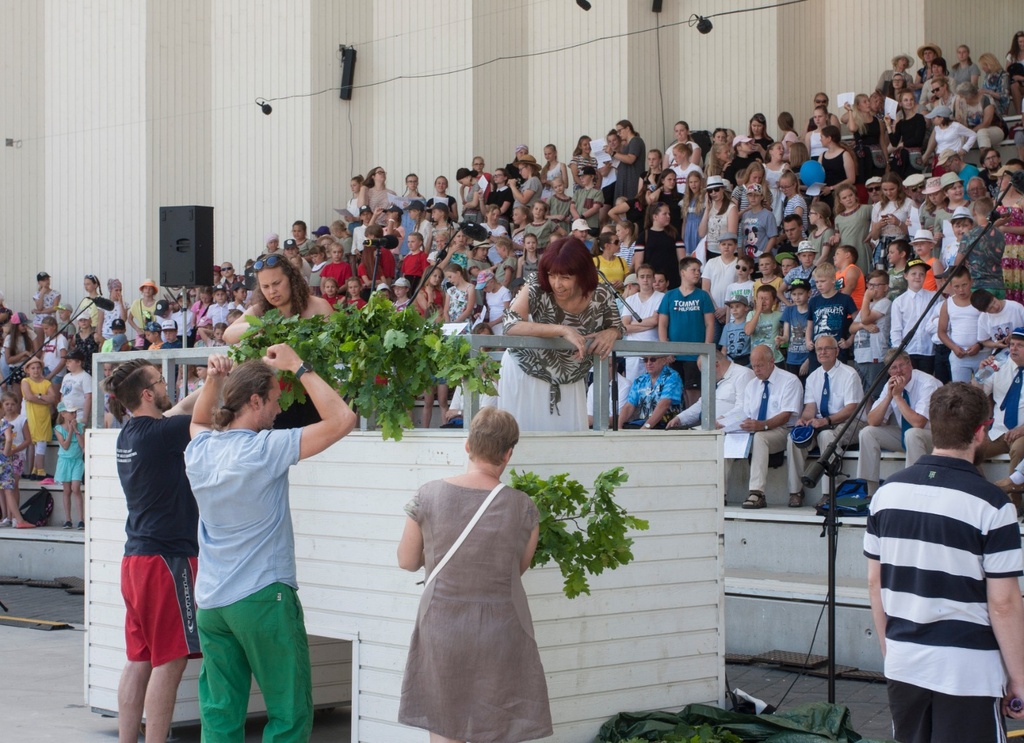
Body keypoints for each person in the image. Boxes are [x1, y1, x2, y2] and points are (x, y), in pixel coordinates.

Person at [184, 347, 357, 741]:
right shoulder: (265, 449)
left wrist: (213, 380)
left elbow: (197, 419)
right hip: (263, 597)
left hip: (212, 602)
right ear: (255, 400)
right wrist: (299, 365)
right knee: (289, 713)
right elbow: (343, 418)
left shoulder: (199, 449)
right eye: (276, 400)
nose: (279, 410)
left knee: (219, 713)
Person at [865, 382, 1024, 743]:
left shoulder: (886, 495)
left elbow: (875, 584)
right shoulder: (993, 505)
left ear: (932, 426)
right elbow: (1003, 603)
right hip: (968, 668)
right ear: (981, 432)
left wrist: (892, 653)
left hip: (905, 659)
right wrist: (1020, 678)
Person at [397, 407, 551, 742]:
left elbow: (407, 561)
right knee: (495, 727)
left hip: (442, 625)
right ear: (509, 453)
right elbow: (516, 570)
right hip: (501, 629)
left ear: (467, 445)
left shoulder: (427, 495)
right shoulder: (524, 507)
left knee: (445, 726)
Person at [102, 358, 205, 743]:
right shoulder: (165, 435)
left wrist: (213, 378)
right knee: (171, 659)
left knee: (139, 659)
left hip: (136, 561)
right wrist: (221, 378)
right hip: (167, 560)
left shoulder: (132, 433)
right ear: (147, 394)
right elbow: (204, 409)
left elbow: (182, 407)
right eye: (161, 381)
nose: (168, 386)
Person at [500, 237, 622, 431]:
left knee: (569, 450)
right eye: (552, 275)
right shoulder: (537, 285)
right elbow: (510, 325)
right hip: (525, 372)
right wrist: (563, 330)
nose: (557, 284)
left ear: (582, 274)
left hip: (571, 380)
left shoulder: (602, 294)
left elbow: (617, 326)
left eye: (565, 277)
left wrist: (612, 332)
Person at [786, 336, 866, 508]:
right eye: (819, 349)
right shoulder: (813, 377)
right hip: (823, 422)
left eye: (827, 348)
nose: (822, 352)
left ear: (836, 351)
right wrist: (804, 419)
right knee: (793, 438)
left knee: (827, 436)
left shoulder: (849, 374)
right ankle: (796, 491)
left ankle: (829, 493)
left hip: (851, 423)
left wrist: (826, 420)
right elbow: (810, 408)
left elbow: (851, 409)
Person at [857, 349, 942, 495]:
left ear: (910, 365)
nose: (898, 371)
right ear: (889, 371)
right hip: (907, 436)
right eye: (893, 368)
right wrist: (889, 396)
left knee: (913, 433)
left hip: (936, 438)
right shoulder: (890, 385)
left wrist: (897, 397)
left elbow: (918, 423)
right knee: (867, 433)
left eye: (901, 365)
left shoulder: (928, 383)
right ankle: (871, 493)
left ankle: (912, 490)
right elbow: (872, 420)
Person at [617, 355, 682, 429]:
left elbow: (664, 404)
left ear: (664, 360)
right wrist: (619, 428)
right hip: (643, 426)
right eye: (645, 360)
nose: (648, 363)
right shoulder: (640, 380)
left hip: (667, 428)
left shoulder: (672, 376)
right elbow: (629, 406)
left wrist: (645, 428)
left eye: (653, 359)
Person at [53, 401, 85, 530]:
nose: (74, 414)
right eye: (71, 412)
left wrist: (76, 429)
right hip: (64, 461)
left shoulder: (81, 426)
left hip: (77, 461)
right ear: (63, 414)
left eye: (75, 412)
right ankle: (68, 519)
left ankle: (81, 519)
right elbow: (65, 446)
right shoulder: (58, 428)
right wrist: (70, 431)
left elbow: (83, 445)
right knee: (66, 490)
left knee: (76, 488)